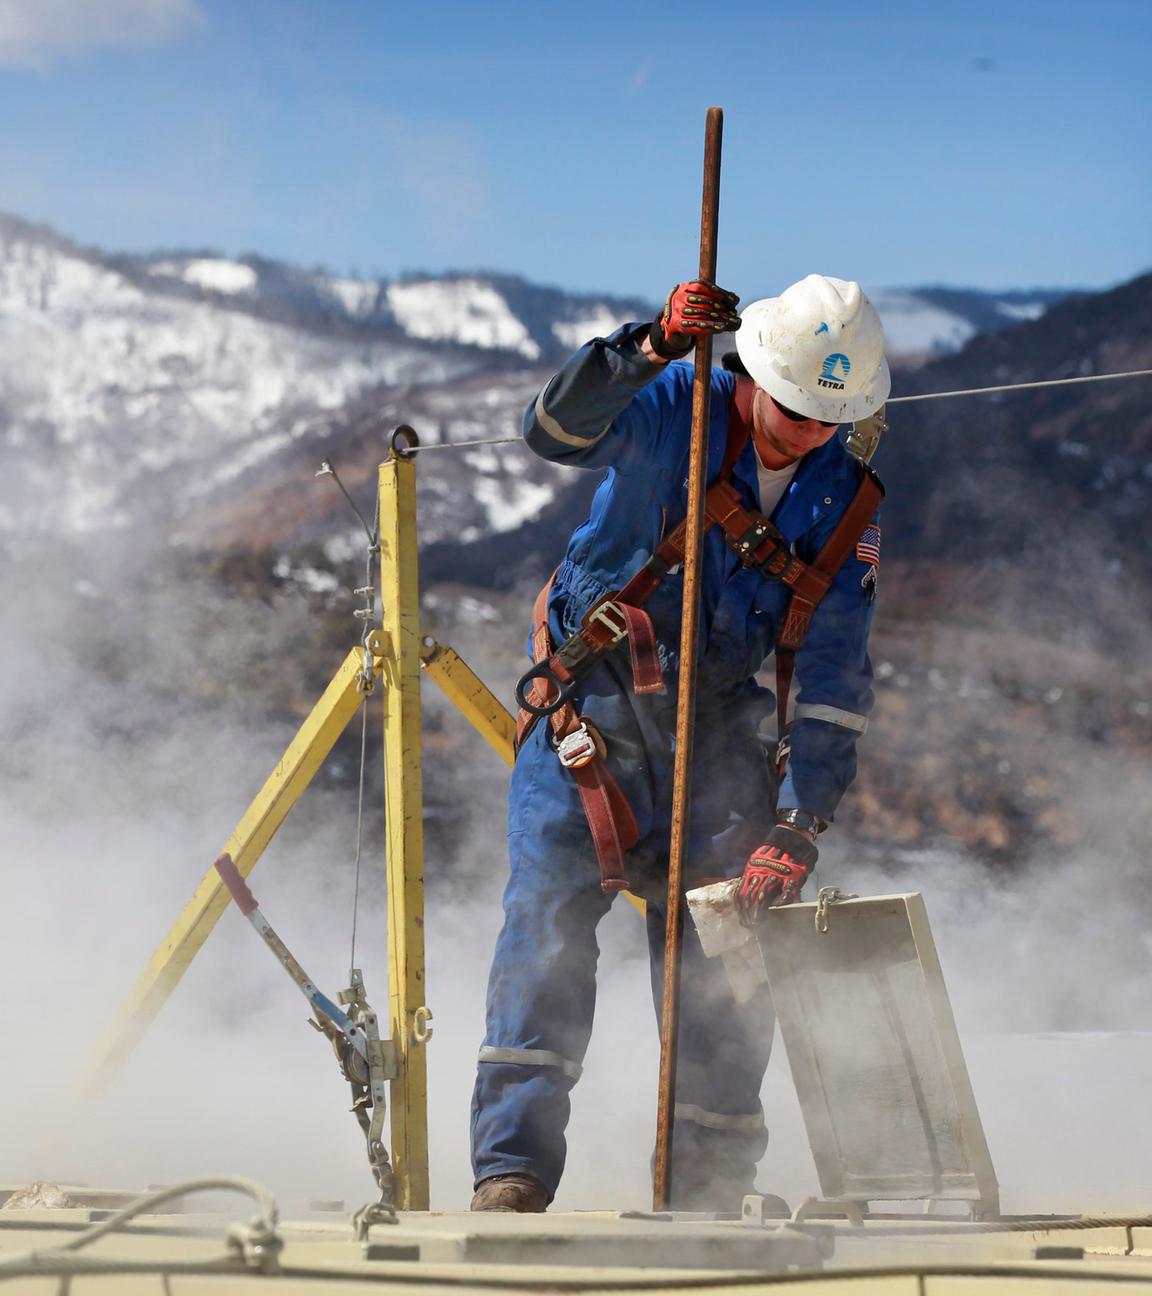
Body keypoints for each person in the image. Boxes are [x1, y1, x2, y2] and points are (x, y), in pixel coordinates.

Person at [469, 274, 891, 1213]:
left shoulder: (846, 503)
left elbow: (832, 672)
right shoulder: (672, 410)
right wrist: (651, 343)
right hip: (593, 715)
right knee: (545, 934)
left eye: (829, 418)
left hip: (720, 742)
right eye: (791, 407)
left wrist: (802, 818)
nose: (804, 430)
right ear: (755, 371)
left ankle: (708, 1192)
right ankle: (513, 1174)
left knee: (724, 963)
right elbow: (554, 434)